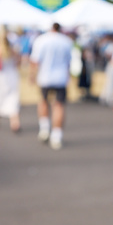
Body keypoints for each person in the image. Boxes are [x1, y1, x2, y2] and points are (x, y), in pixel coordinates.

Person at [30, 22, 75, 150]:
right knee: (59, 105)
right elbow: (69, 62)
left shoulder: (41, 40)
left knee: (43, 101)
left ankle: (44, 128)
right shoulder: (66, 41)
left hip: (45, 77)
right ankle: (56, 135)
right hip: (60, 78)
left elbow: (35, 60)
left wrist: (32, 75)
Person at [0, 25, 21, 133]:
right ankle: (14, 122)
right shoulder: (12, 50)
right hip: (12, 76)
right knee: (13, 98)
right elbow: (17, 63)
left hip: (1, 77)